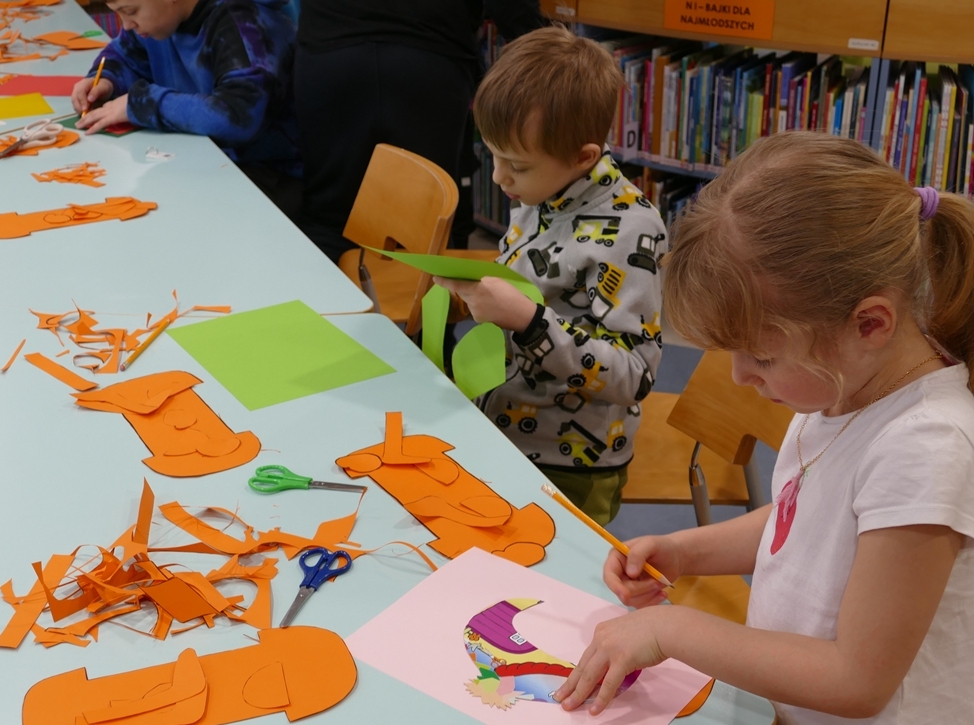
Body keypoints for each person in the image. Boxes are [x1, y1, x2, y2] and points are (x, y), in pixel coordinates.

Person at [554, 132, 974, 723]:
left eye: (762, 357)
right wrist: (684, 551)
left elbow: (857, 681)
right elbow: (803, 523)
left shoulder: (925, 447)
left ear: (870, 324)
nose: (739, 376)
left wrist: (672, 630)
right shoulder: (845, 383)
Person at [434, 26, 667, 526]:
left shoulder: (633, 232)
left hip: (570, 464)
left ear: (583, 157)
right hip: (498, 425)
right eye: (493, 155)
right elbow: (529, 281)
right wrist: (468, 296)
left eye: (516, 165)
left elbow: (635, 376)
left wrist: (530, 323)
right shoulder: (540, 190)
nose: (499, 177)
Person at [293, 0, 545, 262]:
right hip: (429, 55)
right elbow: (513, 10)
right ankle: (424, 287)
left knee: (330, 214)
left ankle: (321, 287)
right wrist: (550, 52)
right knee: (426, 220)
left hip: (331, 48)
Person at [70, 0, 300, 213]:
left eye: (131, 11)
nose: (127, 24)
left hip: (267, 176)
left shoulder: (242, 25)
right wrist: (107, 79)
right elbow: (125, 55)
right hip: (207, 158)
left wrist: (146, 103)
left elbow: (238, 116)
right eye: (118, 13)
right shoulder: (159, 19)